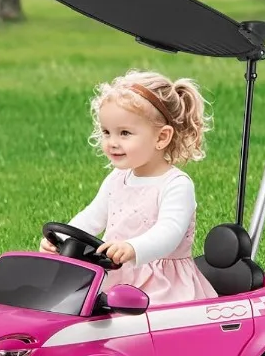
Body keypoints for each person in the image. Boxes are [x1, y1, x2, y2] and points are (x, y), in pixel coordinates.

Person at [40, 69, 218, 305]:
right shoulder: (117, 179)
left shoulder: (175, 185)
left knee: (137, 318)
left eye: (124, 133)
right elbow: (92, 217)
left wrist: (133, 248)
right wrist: (59, 238)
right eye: (106, 132)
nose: (112, 142)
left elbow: (169, 233)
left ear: (161, 138)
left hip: (163, 283)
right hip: (117, 273)